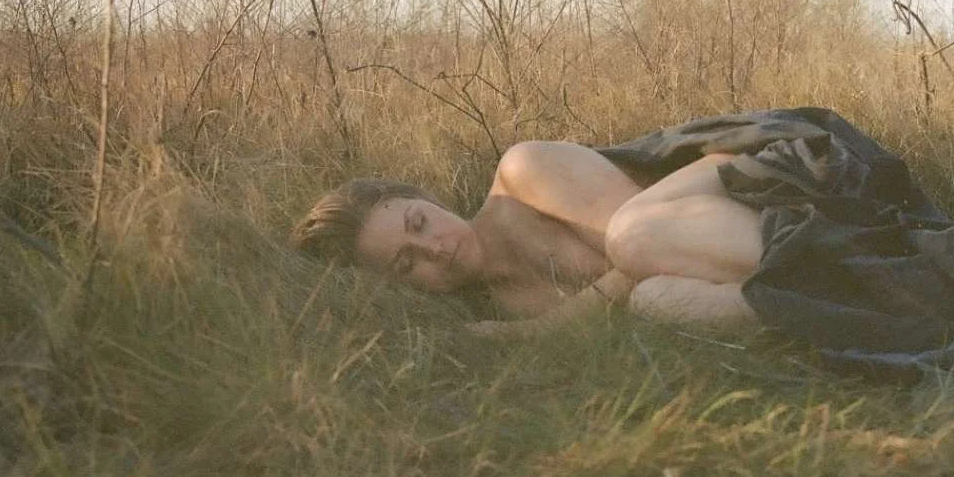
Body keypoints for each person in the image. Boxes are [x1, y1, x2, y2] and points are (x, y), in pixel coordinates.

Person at [291, 139, 765, 338]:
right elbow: (648, 287)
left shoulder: (524, 174)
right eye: (407, 264)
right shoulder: (497, 306)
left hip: (757, 202)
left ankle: (822, 258)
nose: (436, 248)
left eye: (419, 223)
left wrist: (536, 333)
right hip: (729, 266)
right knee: (657, 303)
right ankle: (819, 296)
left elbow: (654, 250)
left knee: (630, 238)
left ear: (425, 197)